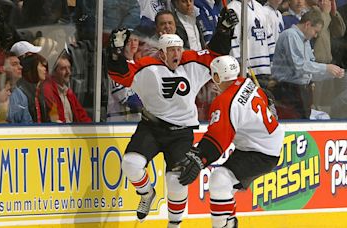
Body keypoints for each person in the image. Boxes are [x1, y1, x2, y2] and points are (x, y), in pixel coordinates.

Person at [107, 8, 238, 227]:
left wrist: (223, 31)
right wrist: (114, 53)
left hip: (181, 133)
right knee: (130, 164)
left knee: (176, 179)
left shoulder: (191, 62)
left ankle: (174, 225)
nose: (177, 53)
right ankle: (146, 193)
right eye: (171, 49)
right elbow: (120, 73)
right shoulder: (148, 68)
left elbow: (215, 55)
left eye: (178, 48)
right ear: (161, 52)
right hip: (152, 128)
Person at [176, 55, 285, 228]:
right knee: (224, 186)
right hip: (264, 144)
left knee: (220, 180)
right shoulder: (246, 82)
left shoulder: (224, 101)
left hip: (261, 152)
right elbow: (266, 97)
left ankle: (225, 225)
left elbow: (217, 140)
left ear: (217, 77)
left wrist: (200, 157)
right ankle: (229, 223)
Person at [271, 8, 345, 119]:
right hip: (287, 90)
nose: (315, 36)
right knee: (292, 124)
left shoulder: (305, 41)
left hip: (301, 91)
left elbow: (309, 69)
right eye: (315, 31)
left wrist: (331, 73)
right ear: (308, 24)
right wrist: (326, 68)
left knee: (303, 121)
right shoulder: (290, 36)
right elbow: (299, 65)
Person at [227, 0, 276, 88]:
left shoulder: (259, 7)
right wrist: (243, 70)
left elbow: (268, 37)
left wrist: (273, 65)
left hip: (265, 69)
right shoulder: (232, 8)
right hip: (249, 71)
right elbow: (234, 43)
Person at [43, 54, 91, 123]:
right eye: (63, 68)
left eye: (69, 68)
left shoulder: (68, 92)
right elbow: (54, 119)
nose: (68, 72)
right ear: (53, 72)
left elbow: (82, 116)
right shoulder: (48, 91)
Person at [107, 31, 143, 122]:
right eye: (129, 41)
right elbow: (125, 99)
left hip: (136, 122)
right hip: (118, 123)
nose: (133, 43)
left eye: (135, 40)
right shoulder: (116, 67)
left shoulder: (138, 66)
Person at [8, 53, 49, 123]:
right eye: (41, 65)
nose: (45, 69)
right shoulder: (23, 93)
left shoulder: (39, 92)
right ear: (33, 68)